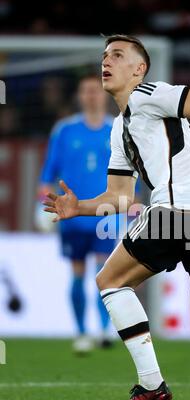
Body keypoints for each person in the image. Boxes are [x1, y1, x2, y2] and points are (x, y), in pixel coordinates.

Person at [43, 35, 190, 400]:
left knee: (109, 280)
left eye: (118, 56)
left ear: (139, 69)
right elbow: (120, 195)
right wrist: (79, 208)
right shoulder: (121, 128)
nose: (106, 61)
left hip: (179, 210)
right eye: (104, 56)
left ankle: (151, 384)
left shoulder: (147, 94)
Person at [38, 74, 115, 353]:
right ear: (80, 96)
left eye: (96, 90)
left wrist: (131, 208)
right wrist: (41, 205)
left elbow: (133, 175)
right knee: (78, 273)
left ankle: (105, 330)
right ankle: (82, 332)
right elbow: (47, 174)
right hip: (71, 216)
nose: (91, 95)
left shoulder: (118, 129)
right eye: (86, 91)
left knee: (104, 273)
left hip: (107, 215)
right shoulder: (65, 130)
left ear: (104, 94)